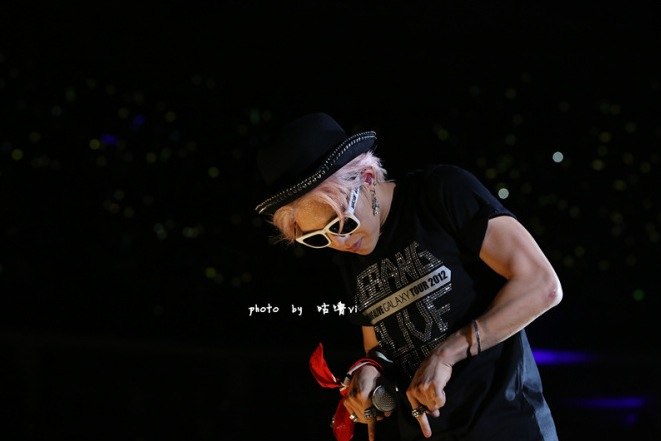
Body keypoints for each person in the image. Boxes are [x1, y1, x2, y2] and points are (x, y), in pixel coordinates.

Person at [254, 112, 563, 441]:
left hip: (506, 425)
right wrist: (370, 370)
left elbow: (541, 285)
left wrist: (446, 354)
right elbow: (379, 348)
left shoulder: (440, 192)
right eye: (317, 238)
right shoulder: (350, 260)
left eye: (341, 223)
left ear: (368, 178)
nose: (339, 242)